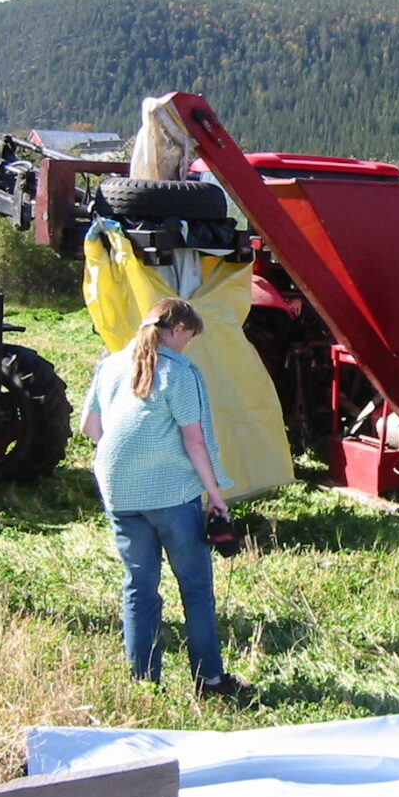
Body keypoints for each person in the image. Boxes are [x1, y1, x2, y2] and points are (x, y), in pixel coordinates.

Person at [80, 297, 251, 697]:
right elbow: (194, 440)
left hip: (119, 493)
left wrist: (129, 461)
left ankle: (143, 683)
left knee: (139, 587)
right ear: (176, 330)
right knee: (194, 587)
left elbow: (90, 426)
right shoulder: (179, 371)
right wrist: (215, 495)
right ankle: (209, 679)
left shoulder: (110, 364)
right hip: (171, 493)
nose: (187, 345)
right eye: (188, 337)